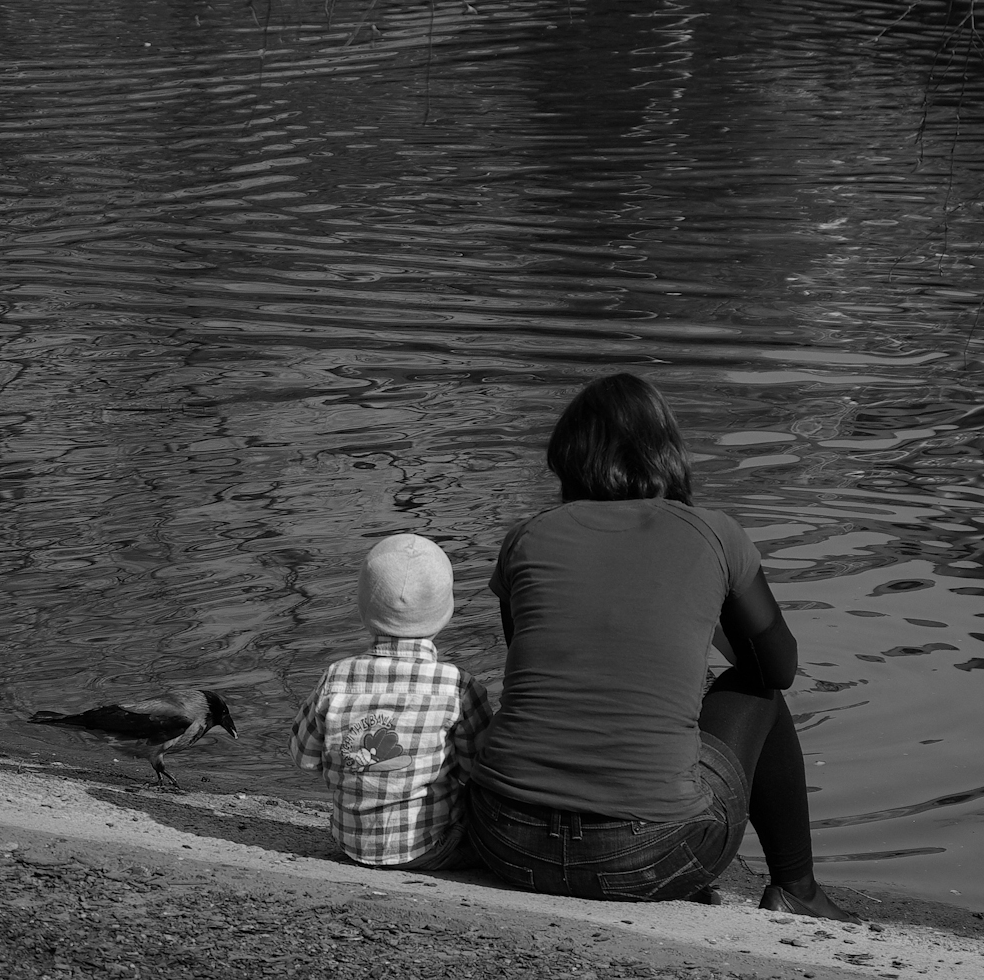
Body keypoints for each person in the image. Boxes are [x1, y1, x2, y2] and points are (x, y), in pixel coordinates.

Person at [464, 373, 857, 920]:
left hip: (505, 839)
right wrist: (715, 618)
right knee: (757, 687)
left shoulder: (527, 537)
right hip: (648, 855)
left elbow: (537, 661)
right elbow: (779, 668)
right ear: (665, 453)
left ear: (569, 460)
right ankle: (797, 887)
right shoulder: (715, 533)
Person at [290, 533, 493, 870]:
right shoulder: (458, 686)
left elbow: (304, 758)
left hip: (350, 842)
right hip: (432, 847)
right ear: (447, 611)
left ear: (363, 608)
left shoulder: (336, 676)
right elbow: (480, 769)